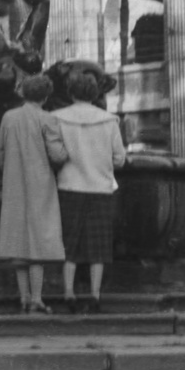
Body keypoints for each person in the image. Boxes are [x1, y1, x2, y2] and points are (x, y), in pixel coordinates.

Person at [52, 70, 126, 313]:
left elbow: (54, 154)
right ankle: (94, 294)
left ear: (70, 92)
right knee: (98, 245)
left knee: (69, 244)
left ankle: (69, 292)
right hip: (100, 188)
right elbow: (119, 159)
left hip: (68, 186)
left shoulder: (56, 119)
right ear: (95, 94)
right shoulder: (109, 121)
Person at [0, 74, 68, 313]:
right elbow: (57, 155)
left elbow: (0, 154)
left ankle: (24, 296)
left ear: (22, 93)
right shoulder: (47, 119)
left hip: (14, 183)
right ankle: (37, 297)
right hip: (41, 184)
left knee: (18, 238)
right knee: (38, 240)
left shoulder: (8, 118)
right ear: (46, 96)